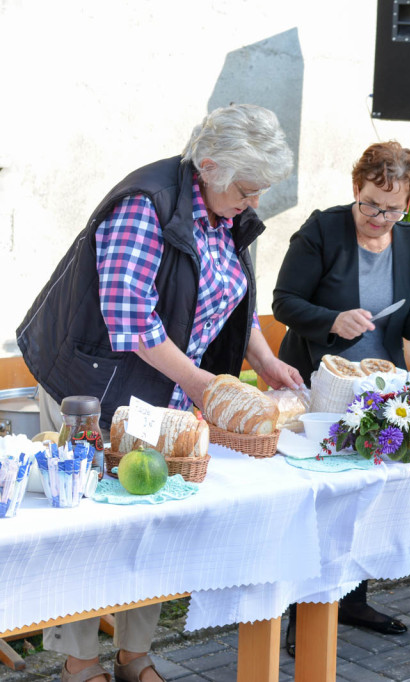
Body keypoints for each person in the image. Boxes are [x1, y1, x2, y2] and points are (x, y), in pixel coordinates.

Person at [16, 104, 299, 682]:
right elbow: (132, 318)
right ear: (210, 164)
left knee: (154, 519)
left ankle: (134, 656)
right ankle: (80, 663)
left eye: (260, 190)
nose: (254, 202)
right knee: (93, 527)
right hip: (92, 388)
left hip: (160, 389)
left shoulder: (227, 212)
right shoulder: (145, 205)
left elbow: (231, 303)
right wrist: (200, 383)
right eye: (247, 188)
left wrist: (266, 362)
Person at [273, 141, 410, 648]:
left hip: (383, 386)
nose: (379, 217)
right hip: (323, 381)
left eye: (392, 208)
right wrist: (332, 319)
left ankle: (351, 601)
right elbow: (284, 302)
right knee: (320, 503)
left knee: (368, 501)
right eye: (371, 204)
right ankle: (299, 613)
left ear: (409, 204)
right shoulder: (321, 229)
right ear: (356, 189)